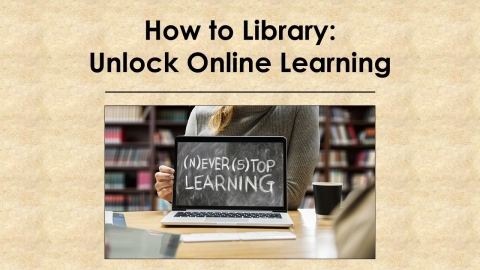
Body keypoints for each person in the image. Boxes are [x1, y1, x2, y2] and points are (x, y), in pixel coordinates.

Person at [155, 106, 320, 210]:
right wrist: (175, 193)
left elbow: (292, 194)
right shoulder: (200, 113)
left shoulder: (300, 107)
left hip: (268, 233)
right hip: (205, 228)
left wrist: (203, 193)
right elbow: (190, 193)